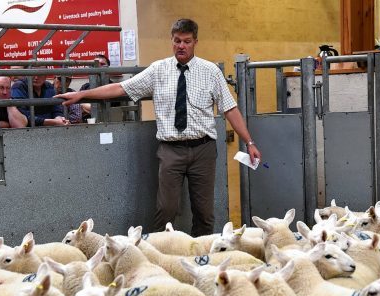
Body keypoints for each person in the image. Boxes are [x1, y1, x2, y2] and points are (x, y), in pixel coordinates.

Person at [56, 18, 261, 237]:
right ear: (172, 41)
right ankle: (162, 258)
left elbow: (230, 109)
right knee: (166, 210)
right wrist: (82, 94)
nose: (181, 46)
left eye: (187, 41)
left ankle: (202, 258)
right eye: (177, 41)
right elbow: (121, 88)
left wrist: (249, 142)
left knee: (204, 212)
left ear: (195, 42)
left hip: (203, 149)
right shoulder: (158, 70)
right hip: (171, 149)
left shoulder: (210, 72)